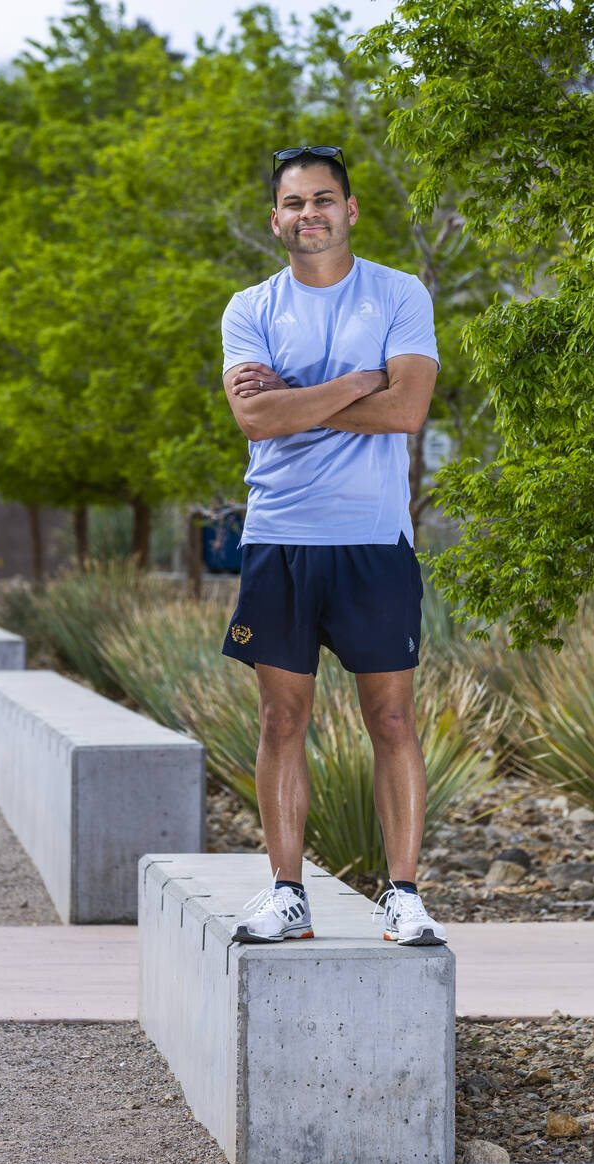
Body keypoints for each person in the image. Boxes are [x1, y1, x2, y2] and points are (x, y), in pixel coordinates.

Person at [221, 144, 446, 948]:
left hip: (372, 541)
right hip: (280, 536)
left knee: (390, 719)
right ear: (274, 217)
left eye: (323, 200)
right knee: (282, 718)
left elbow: (406, 411)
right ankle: (287, 894)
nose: (307, 214)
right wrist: (358, 381)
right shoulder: (249, 308)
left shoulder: (398, 292)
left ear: (349, 210)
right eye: (293, 203)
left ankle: (404, 896)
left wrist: (300, 397)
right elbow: (255, 420)